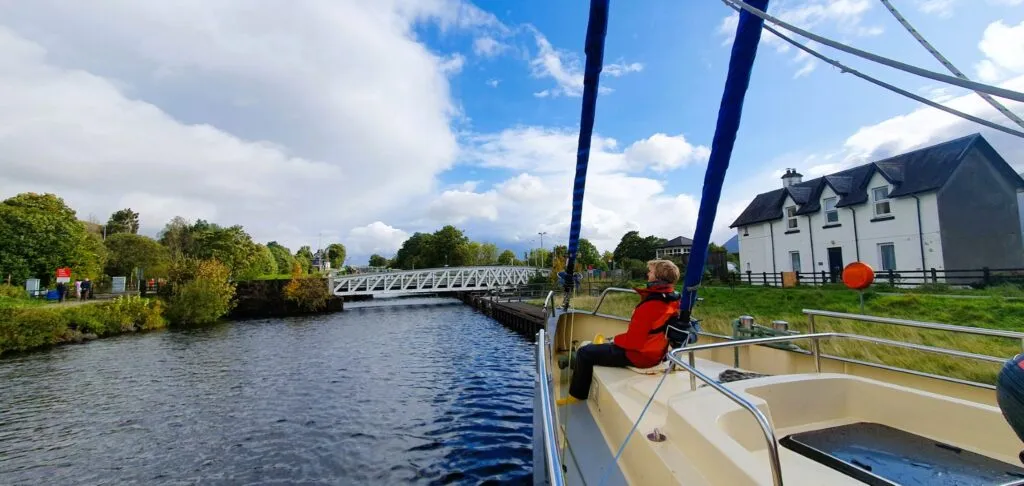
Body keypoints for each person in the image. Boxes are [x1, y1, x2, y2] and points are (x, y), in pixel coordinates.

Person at [557, 259, 681, 405]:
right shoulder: (672, 299)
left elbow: (633, 342)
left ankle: (576, 395)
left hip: (640, 357)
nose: (648, 273)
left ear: (658, 277)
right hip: (656, 354)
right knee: (601, 347)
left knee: (585, 353)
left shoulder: (651, 305)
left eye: (651, 271)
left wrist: (615, 340)